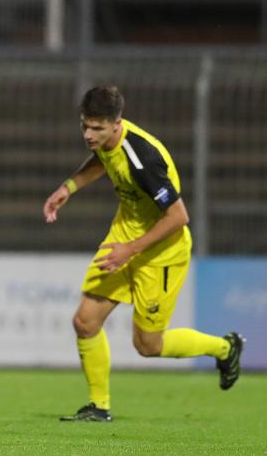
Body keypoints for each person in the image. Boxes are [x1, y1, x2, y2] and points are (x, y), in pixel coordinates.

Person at [43, 86, 244, 422]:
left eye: (97, 128)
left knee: (147, 345)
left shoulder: (143, 159)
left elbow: (179, 216)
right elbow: (104, 160)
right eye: (85, 126)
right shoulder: (107, 141)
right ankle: (99, 406)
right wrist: (69, 187)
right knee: (85, 321)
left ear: (117, 123)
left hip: (160, 252)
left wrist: (130, 251)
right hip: (123, 237)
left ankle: (225, 348)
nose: (89, 135)